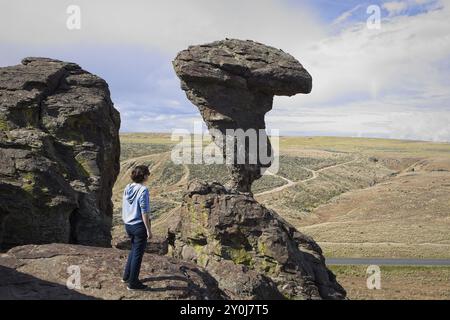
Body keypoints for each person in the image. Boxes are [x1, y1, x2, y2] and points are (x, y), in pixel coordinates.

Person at [121, 165, 152, 291]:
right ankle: (133, 283)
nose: (148, 176)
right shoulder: (143, 190)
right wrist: (148, 230)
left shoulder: (127, 187)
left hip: (128, 224)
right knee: (138, 255)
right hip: (139, 226)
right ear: (144, 176)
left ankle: (126, 276)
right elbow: (144, 212)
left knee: (133, 250)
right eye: (147, 174)